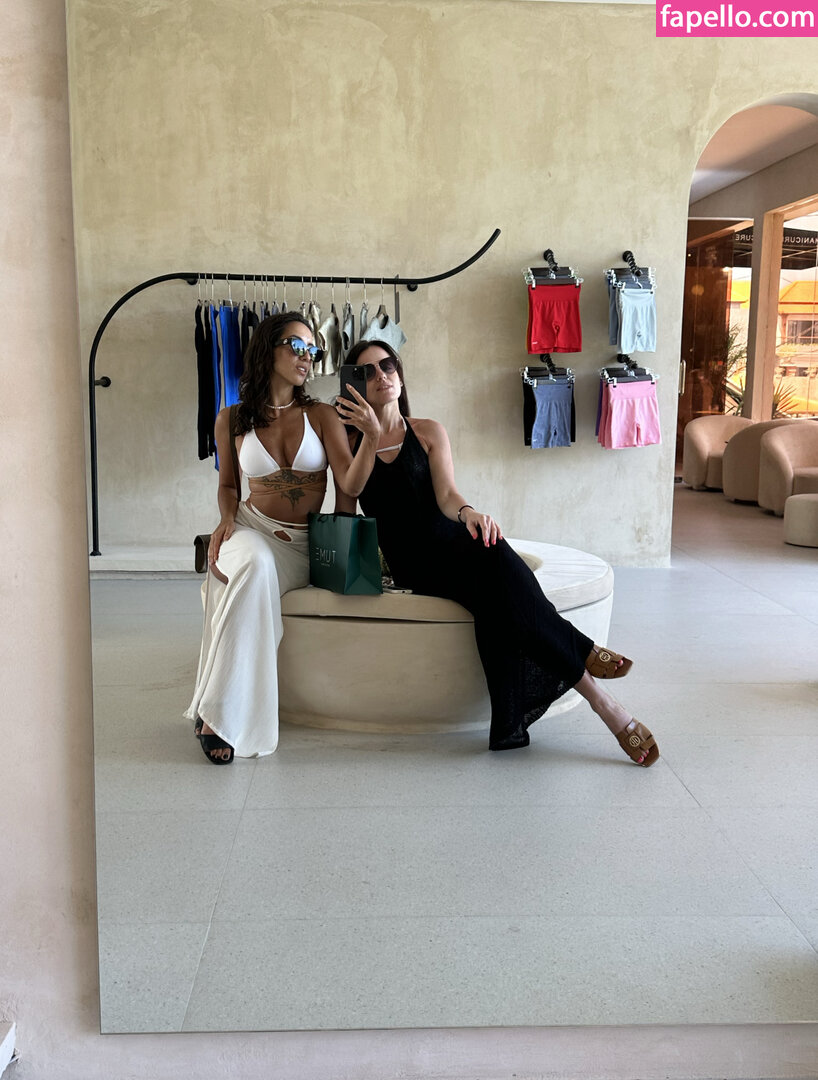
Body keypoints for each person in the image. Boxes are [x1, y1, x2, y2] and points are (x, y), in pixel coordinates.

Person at [334, 339, 659, 765]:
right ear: (354, 384)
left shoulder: (428, 431)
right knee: (499, 576)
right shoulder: (349, 442)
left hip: (452, 541)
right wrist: (371, 436)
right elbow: (350, 494)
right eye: (368, 371)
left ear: (399, 373)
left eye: (388, 365)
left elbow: (447, 495)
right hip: (415, 564)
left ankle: (529, 722)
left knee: (494, 577)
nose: (381, 376)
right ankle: (587, 667)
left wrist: (469, 512)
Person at [185, 313, 379, 764]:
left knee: (259, 573)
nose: (306, 357)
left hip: (301, 546)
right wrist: (225, 520)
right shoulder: (231, 418)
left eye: (313, 349)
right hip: (249, 530)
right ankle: (219, 716)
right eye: (296, 345)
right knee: (254, 562)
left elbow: (349, 484)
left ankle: (214, 705)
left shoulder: (322, 415)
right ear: (267, 349)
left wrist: (370, 436)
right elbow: (228, 485)